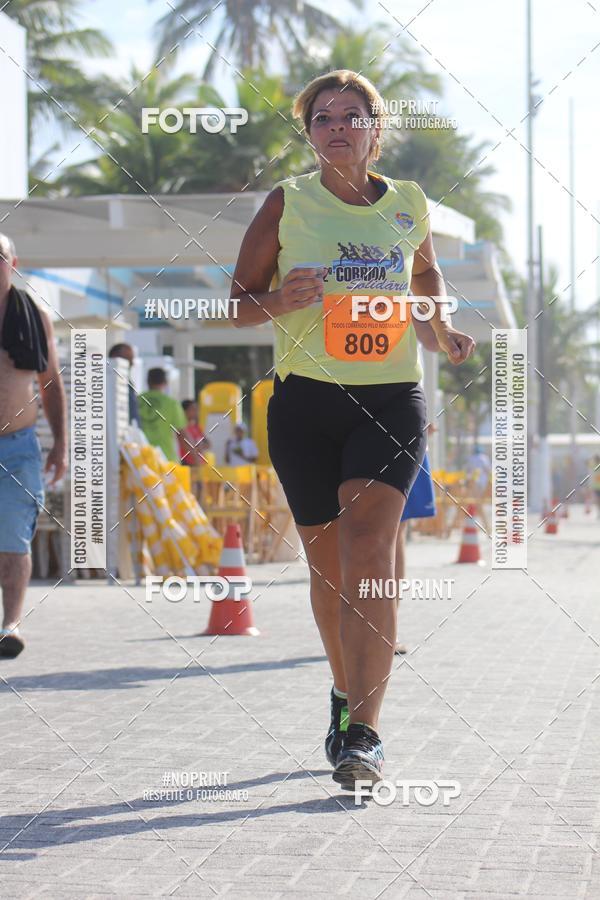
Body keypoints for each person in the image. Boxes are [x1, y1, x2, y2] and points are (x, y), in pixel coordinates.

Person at [230, 70, 475, 790]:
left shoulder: (409, 204)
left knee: (372, 548)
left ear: (375, 128)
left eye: (351, 116)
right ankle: (345, 695)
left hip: (391, 400)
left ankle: (364, 735)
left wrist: (439, 328)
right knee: (330, 570)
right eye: (322, 119)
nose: (336, 127)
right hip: (305, 406)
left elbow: (424, 280)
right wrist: (280, 298)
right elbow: (236, 306)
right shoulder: (286, 203)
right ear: (309, 134)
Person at [0, 233, 67, 658]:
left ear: (13, 262)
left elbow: (51, 382)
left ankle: (11, 624)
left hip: (19, 445)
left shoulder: (34, 315)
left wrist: (60, 443)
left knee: (13, 540)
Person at [138, 368, 186, 462]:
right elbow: (182, 434)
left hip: (141, 459)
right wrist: (196, 458)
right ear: (166, 382)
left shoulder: (137, 400)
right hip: (165, 458)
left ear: (148, 381)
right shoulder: (171, 403)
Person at [108, 343, 139, 425]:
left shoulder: (127, 383)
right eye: (128, 358)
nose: (131, 363)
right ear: (114, 358)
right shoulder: (107, 382)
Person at [178, 399, 210, 465]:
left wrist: (200, 445)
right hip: (186, 464)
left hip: (198, 463)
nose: (196, 412)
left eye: (196, 409)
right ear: (184, 411)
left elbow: (208, 443)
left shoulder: (196, 427)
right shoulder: (181, 428)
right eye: (193, 409)